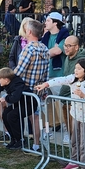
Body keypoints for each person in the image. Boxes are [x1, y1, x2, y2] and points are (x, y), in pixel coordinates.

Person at [37, 58, 85, 169]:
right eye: (75, 68)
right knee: (74, 139)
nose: (76, 70)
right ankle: (74, 161)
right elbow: (60, 80)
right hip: (75, 114)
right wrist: (46, 84)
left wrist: (83, 96)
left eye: (79, 69)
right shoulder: (72, 79)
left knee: (84, 142)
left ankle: (84, 167)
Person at [13, 18, 50, 151]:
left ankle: (18, 139)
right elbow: (47, 72)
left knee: (18, 113)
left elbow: (19, 71)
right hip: (38, 89)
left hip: (25, 88)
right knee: (35, 116)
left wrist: (7, 79)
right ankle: (36, 144)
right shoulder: (45, 48)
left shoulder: (28, 49)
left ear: (29, 31)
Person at [0, 67, 34, 150]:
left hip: (29, 104)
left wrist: (5, 98)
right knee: (5, 115)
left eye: (0, 78)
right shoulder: (4, 84)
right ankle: (13, 138)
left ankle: (20, 140)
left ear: (6, 79)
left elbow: (15, 97)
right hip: (18, 104)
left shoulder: (17, 83)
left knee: (11, 116)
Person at [40, 12, 69, 80]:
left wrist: (41, 54)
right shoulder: (46, 37)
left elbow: (57, 51)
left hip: (59, 75)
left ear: (55, 23)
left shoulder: (64, 36)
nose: (45, 23)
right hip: (46, 74)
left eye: (48, 21)